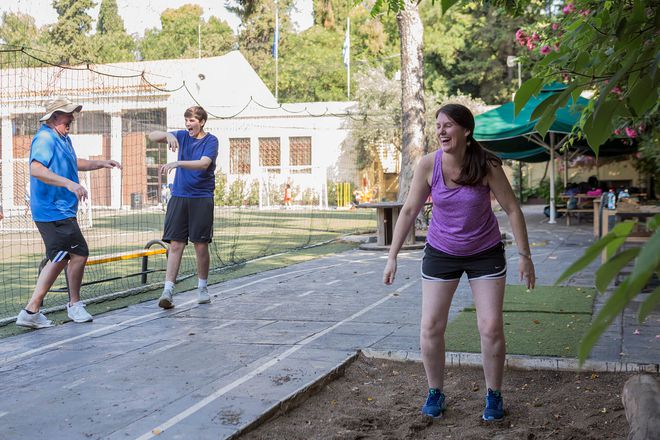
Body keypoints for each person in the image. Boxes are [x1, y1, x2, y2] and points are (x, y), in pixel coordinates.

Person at [383, 104, 535, 421]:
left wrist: (525, 256)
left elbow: (513, 209)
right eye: (437, 125)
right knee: (430, 326)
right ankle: (435, 392)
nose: (440, 130)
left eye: (448, 125)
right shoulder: (428, 165)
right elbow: (409, 211)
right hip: (441, 251)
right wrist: (392, 255)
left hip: (485, 252)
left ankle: (494, 396)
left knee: (491, 326)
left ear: (466, 130)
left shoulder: (487, 165)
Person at [16, 97, 122, 329]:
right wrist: (69, 184)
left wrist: (101, 163)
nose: (72, 118)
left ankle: (32, 310)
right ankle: (70, 305)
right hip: (51, 209)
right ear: (54, 117)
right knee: (78, 253)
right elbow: (36, 169)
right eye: (67, 114)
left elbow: (74, 162)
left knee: (61, 256)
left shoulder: (63, 138)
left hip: (61, 210)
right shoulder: (45, 138)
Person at [149, 106, 218, 308]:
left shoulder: (211, 141)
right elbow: (152, 136)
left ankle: (202, 288)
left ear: (202, 122)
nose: (188, 124)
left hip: (201, 198)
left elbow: (204, 163)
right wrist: (167, 135)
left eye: (193, 120)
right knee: (175, 244)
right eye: (186, 120)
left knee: (200, 245)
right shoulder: (181, 135)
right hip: (179, 197)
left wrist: (178, 163)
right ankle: (168, 291)